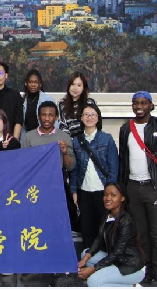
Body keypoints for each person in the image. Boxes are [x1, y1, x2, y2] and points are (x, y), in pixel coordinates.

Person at [118, 91, 157, 287]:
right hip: (133, 187)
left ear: (151, 105)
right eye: (135, 103)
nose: (139, 106)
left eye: (143, 103)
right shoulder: (125, 128)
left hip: (155, 187)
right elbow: (123, 160)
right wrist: (122, 189)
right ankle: (146, 272)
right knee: (140, 234)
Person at [77, 182, 145, 287]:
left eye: (113, 195)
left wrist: (94, 269)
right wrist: (84, 260)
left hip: (130, 267)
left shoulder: (126, 222)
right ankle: (109, 277)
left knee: (93, 282)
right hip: (116, 261)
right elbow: (98, 239)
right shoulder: (107, 215)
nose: (108, 198)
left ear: (122, 198)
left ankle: (132, 286)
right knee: (85, 254)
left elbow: (117, 253)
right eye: (106, 195)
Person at [70, 103, 119, 248]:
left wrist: (111, 191)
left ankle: (105, 259)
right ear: (81, 118)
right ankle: (88, 259)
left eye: (93, 115)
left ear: (98, 118)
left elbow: (113, 167)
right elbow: (75, 169)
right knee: (87, 230)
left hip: (103, 192)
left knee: (105, 229)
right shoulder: (76, 141)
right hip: (84, 192)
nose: (89, 117)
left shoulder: (107, 139)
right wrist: (74, 191)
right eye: (86, 114)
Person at [21, 101, 75, 171]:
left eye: (51, 115)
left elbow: (71, 167)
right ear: (38, 117)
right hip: (34, 177)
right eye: (43, 115)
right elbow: (23, 162)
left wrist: (65, 153)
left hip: (56, 176)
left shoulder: (64, 137)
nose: (47, 119)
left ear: (56, 117)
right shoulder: (28, 137)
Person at [58, 71, 98, 138]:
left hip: (89, 139)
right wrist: (71, 141)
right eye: (73, 84)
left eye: (79, 85)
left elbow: (95, 123)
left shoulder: (90, 102)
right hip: (69, 141)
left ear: (83, 87)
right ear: (69, 86)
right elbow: (62, 126)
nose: (75, 88)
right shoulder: (61, 103)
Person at [22, 69, 55, 138]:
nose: (33, 85)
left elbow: (55, 121)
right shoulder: (22, 100)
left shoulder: (47, 99)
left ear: (40, 84)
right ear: (26, 83)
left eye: (36, 82)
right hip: (27, 138)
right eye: (30, 82)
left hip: (45, 137)